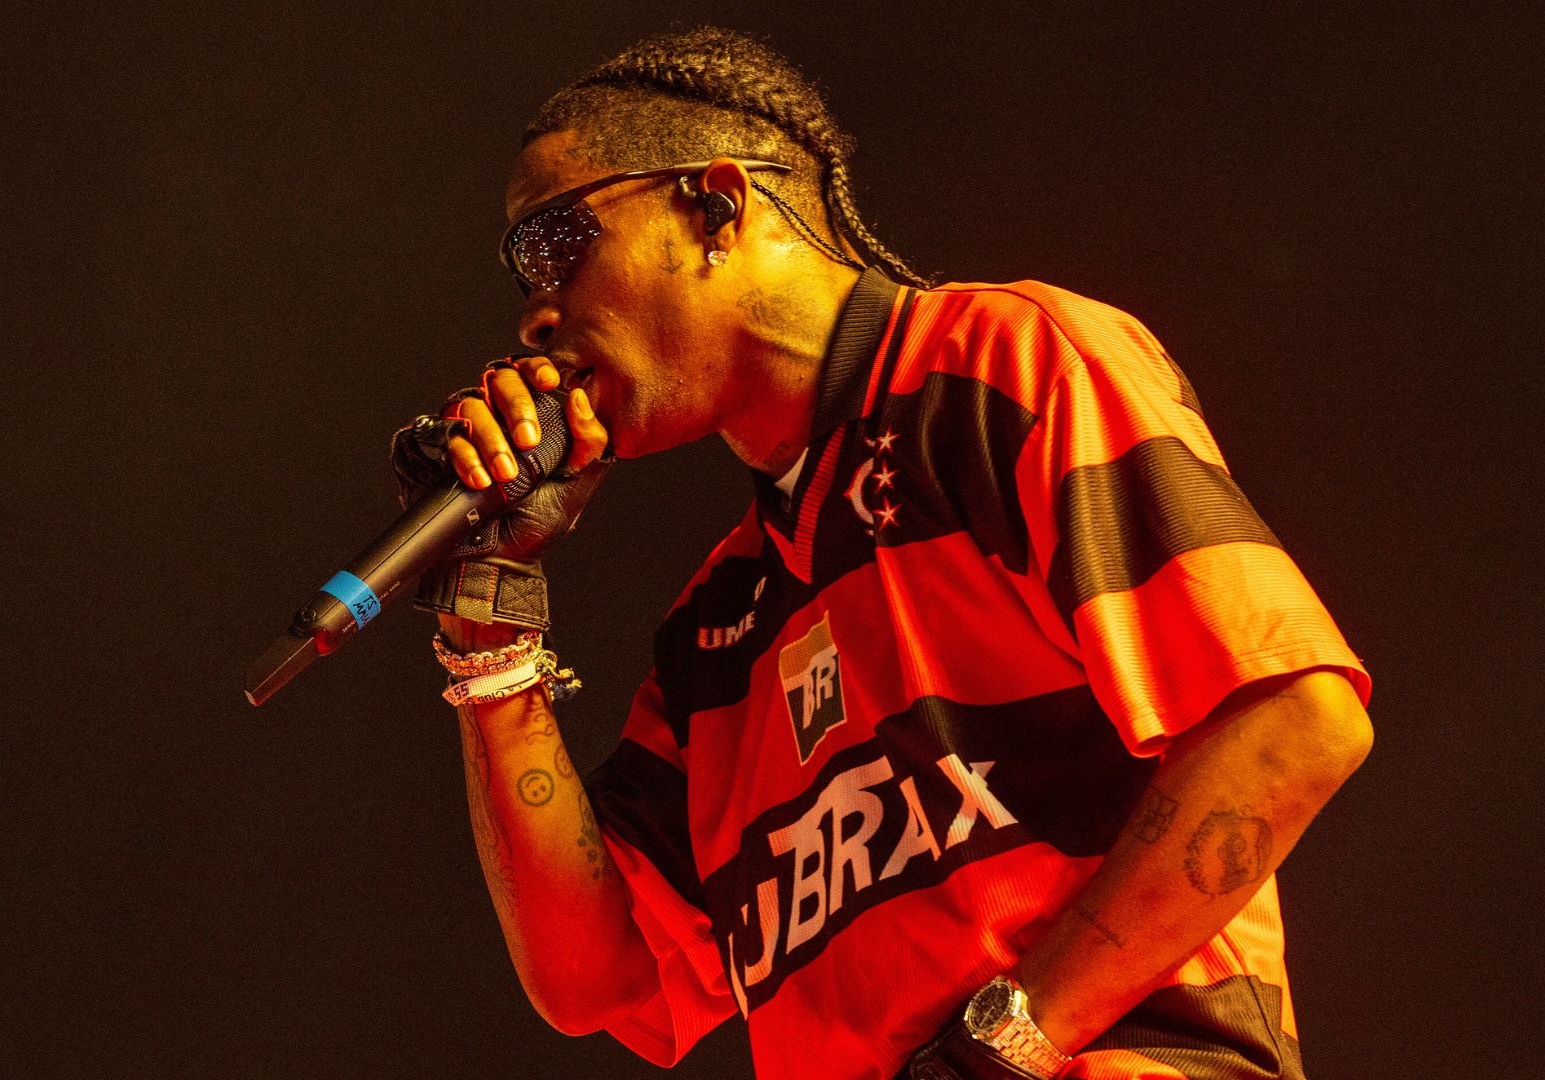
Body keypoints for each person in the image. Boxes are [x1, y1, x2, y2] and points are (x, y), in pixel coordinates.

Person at [392, 27, 1373, 1080]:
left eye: (554, 244)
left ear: (715, 204)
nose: (536, 315)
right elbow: (602, 980)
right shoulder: (718, 623)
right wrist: (490, 617)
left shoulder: (999, 365)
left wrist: (1006, 1044)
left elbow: (1293, 723)